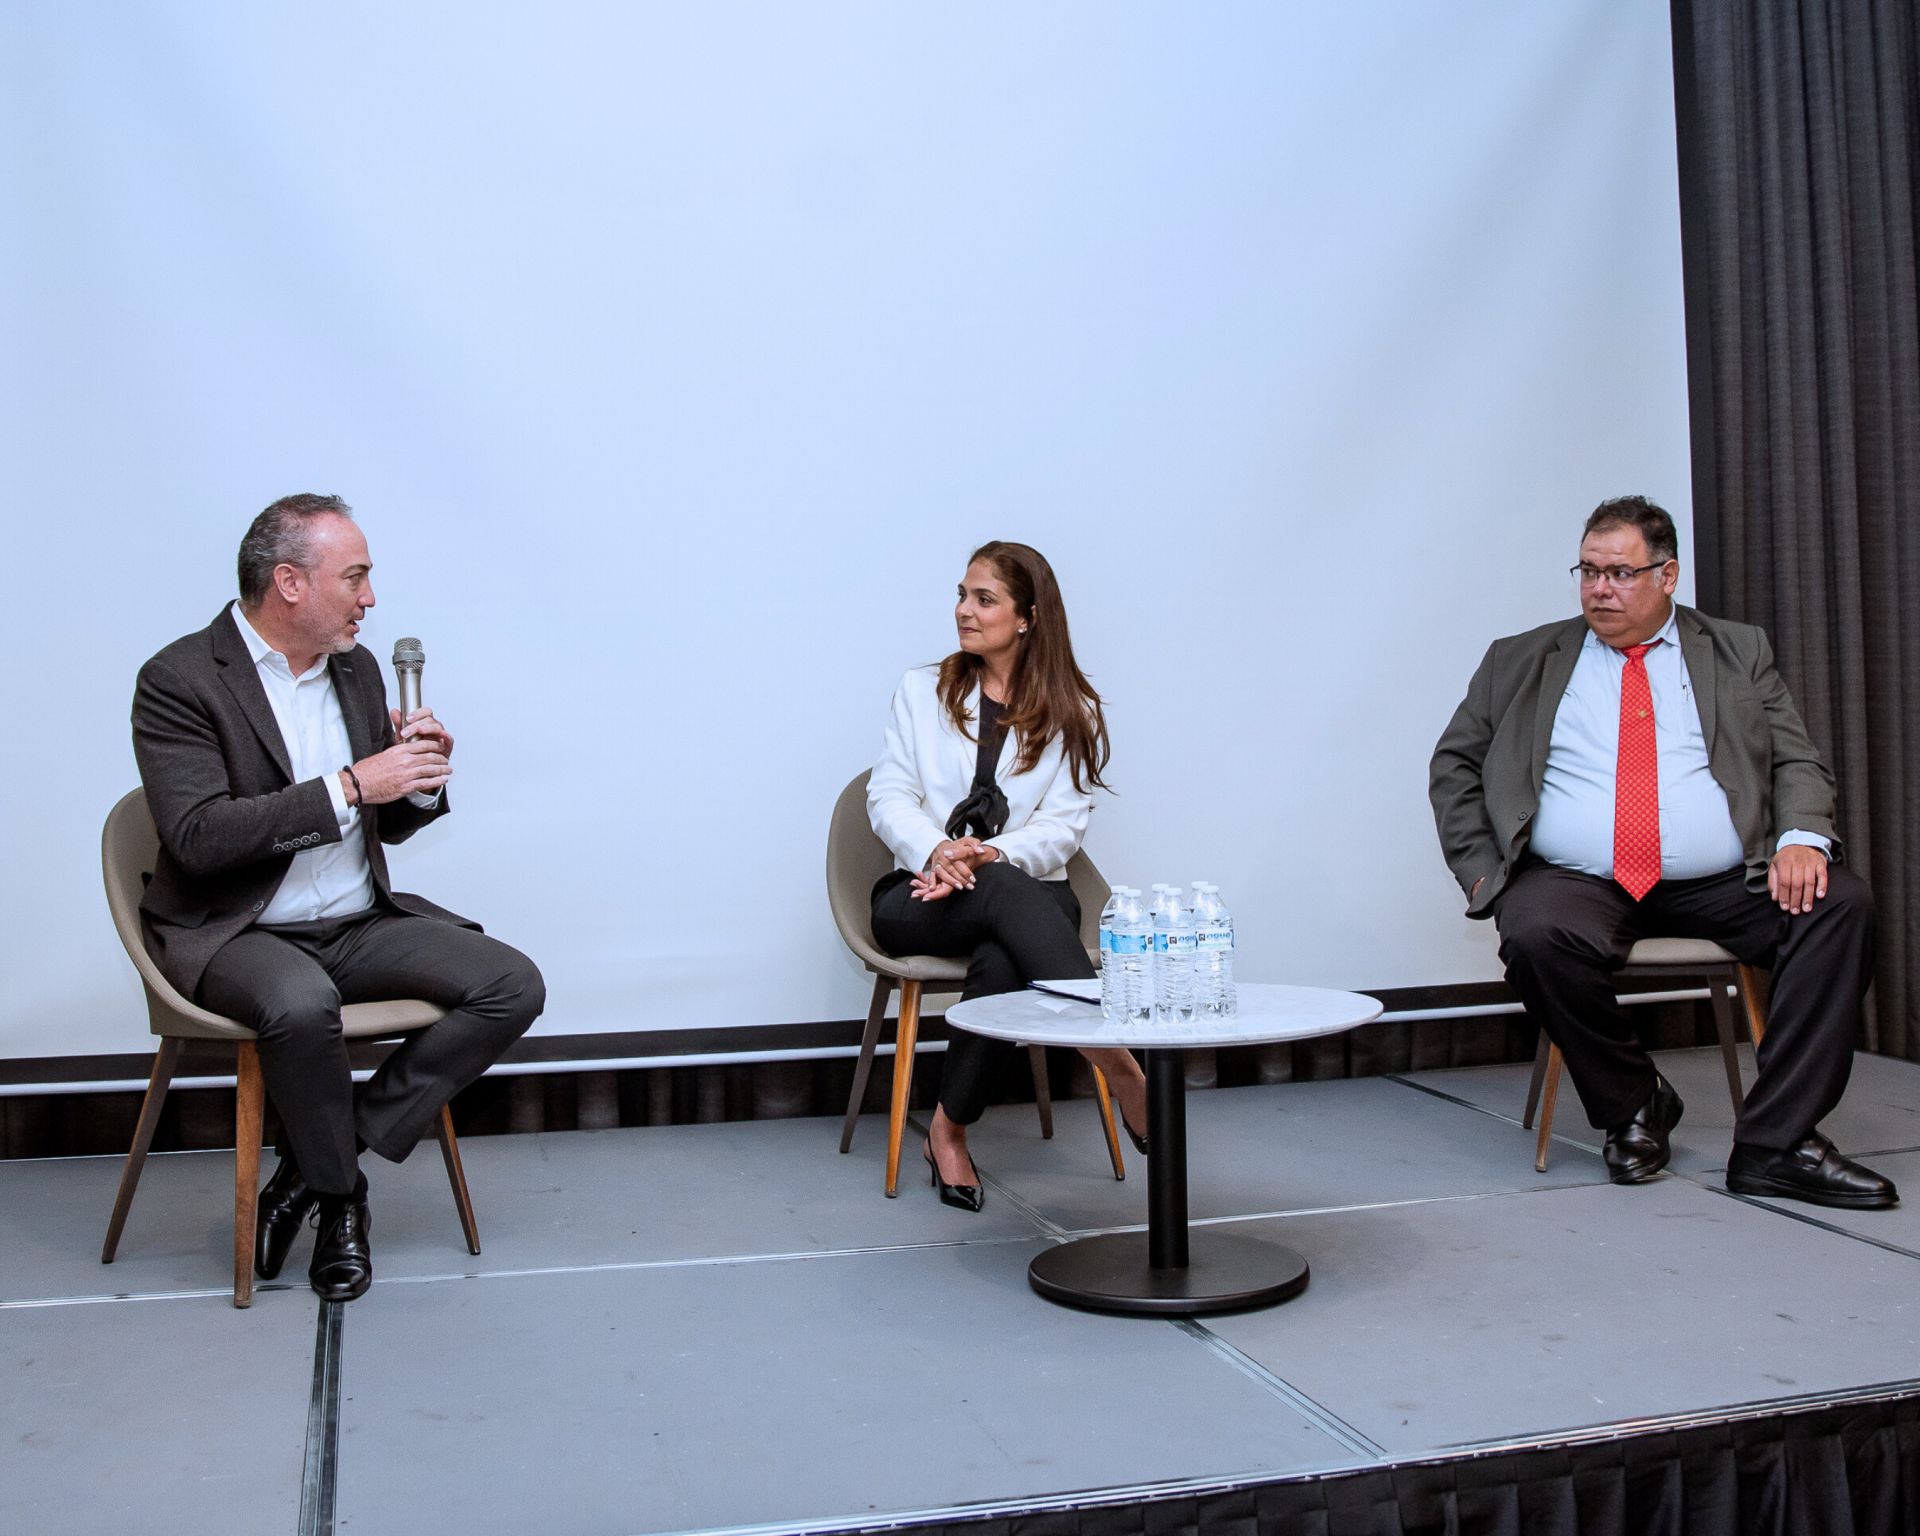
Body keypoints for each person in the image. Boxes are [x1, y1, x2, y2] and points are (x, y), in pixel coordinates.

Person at [132, 494, 546, 1301]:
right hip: (241, 928)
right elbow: (199, 838)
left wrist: (417, 781)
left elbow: (387, 824)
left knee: (512, 983)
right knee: (300, 1003)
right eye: (355, 577)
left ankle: (316, 1166)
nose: (371, 598)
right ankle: (343, 1203)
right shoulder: (179, 679)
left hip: (356, 920)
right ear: (290, 582)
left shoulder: (357, 669)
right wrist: (353, 783)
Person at [1429, 495, 1893, 1208]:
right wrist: (1483, 873)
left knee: (1840, 904)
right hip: (1580, 878)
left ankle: (1776, 1143)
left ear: (1667, 576)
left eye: (1620, 573)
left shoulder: (1737, 650)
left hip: (1723, 878)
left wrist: (1802, 838)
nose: (1599, 589)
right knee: (1532, 930)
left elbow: (1795, 760)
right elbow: (1455, 765)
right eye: (1588, 571)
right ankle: (1633, 1103)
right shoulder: (1520, 658)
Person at [867, 541, 1149, 1212]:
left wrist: (988, 856)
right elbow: (888, 795)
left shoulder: (1074, 708)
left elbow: (1064, 827)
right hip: (921, 895)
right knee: (1002, 902)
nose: (964, 610)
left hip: (1022, 896)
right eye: (962, 596)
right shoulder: (921, 689)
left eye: (984, 599)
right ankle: (1117, 1058)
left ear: (1027, 617)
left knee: (1003, 953)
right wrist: (941, 851)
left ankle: (948, 1133)